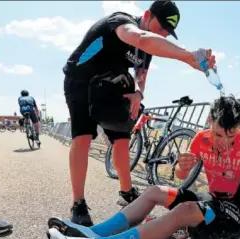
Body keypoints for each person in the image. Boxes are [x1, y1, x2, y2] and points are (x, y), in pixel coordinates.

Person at [47, 95, 240, 239]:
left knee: (185, 209)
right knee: (154, 191)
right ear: (210, 121)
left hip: (235, 209)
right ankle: (90, 233)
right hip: (211, 200)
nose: (224, 144)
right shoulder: (200, 139)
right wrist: (182, 166)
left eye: (232, 137)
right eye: (218, 135)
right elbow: (179, 175)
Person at [63, 0, 216, 226]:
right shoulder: (121, 21)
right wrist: (189, 57)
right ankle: (78, 203)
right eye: (161, 26)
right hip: (81, 81)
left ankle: (126, 193)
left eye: (167, 31)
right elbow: (141, 38)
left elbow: (141, 76)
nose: (163, 33)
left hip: (110, 85)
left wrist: (138, 94)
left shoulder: (146, 52)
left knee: (122, 139)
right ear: (147, 15)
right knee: (83, 137)